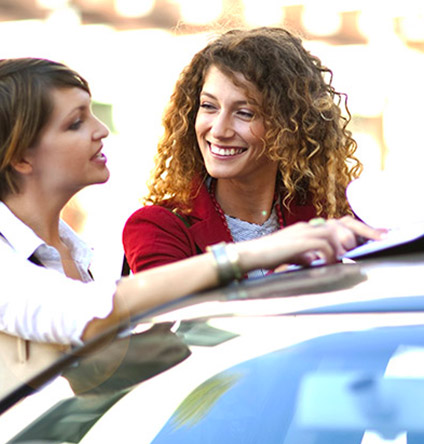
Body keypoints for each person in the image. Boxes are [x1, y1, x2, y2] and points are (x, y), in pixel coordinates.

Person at [0, 57, 379, 350]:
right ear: (21, 157)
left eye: (245, 112)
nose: (100, 130)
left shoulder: (75, 254)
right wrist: (257, 259)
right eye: (75, 123)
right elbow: (93, 315)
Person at [122, 26, 375, 276]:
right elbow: (167, 307)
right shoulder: (157, 227)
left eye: (244, 113)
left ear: (287, 127)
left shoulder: (327, 214)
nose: (219, 130)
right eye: (209, 106)